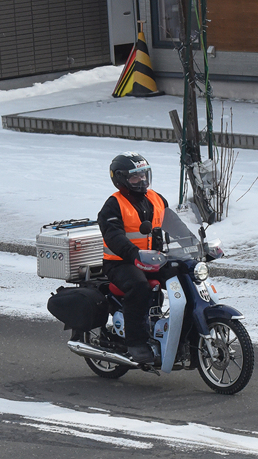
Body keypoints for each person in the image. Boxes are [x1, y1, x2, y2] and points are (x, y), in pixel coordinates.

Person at [98, 152, 168, 363]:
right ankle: (136, 342)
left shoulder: (156, 198)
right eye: (135, 177)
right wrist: (134, 254)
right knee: (139, 287)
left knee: (185, 273)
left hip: (152, 259)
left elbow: (176, 224)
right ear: (120, 179)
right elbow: (114, 236)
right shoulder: (113, 205)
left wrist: (197, 244)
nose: (142, 180)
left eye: (144, 175)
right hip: (120, 263)